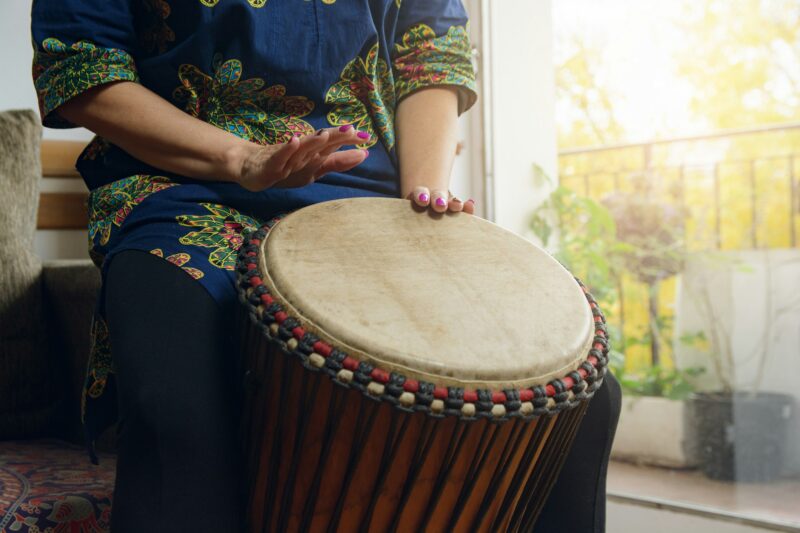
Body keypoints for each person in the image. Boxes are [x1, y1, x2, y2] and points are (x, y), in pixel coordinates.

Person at [31, 1, 619, 531]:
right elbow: (82, 65)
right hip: (180, 190)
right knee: (172, 397)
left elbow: (431, 52)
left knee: (574, 396)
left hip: (366, 201)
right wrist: (243, 157)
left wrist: (421, 198)